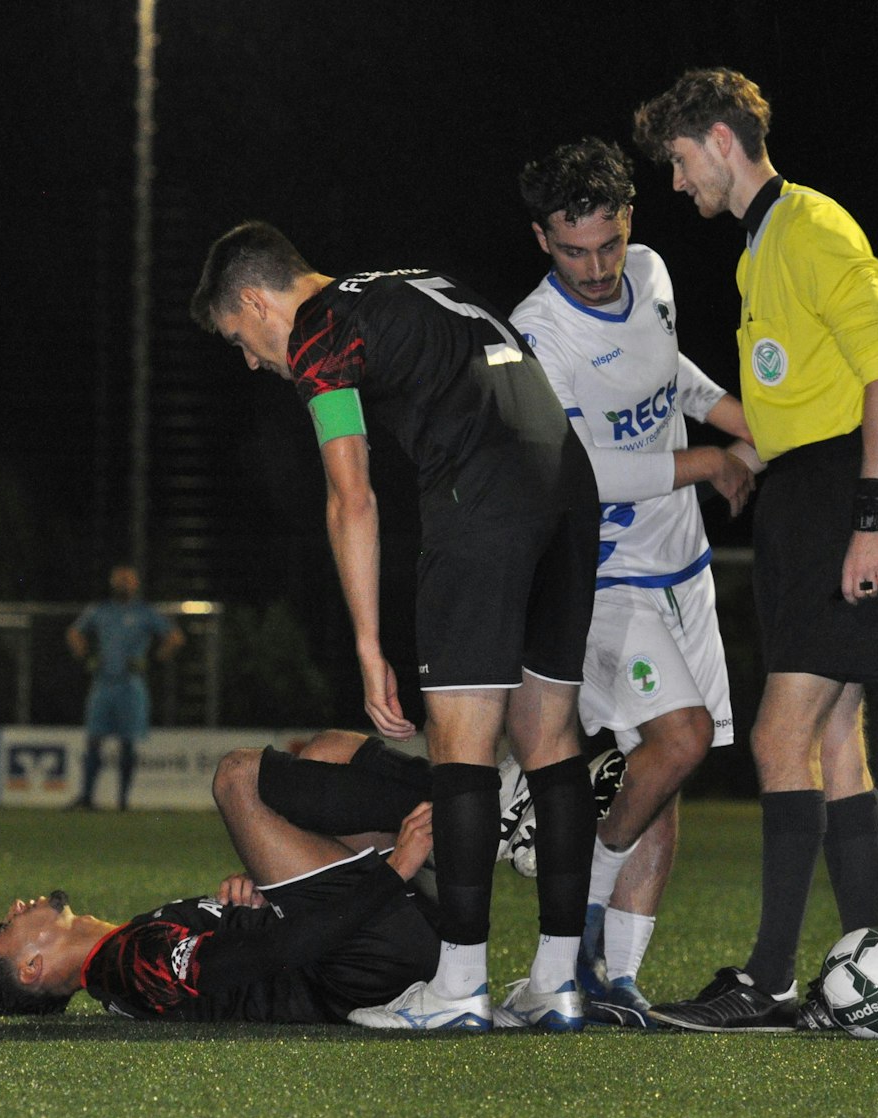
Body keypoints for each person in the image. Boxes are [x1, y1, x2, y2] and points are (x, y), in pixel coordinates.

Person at [189, 222, 601, 1031]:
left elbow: (353, 494)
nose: (249, 359)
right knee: (551, 738)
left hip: (482, 497)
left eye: (241, 337)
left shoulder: (318, 333)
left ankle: (459, 986)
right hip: (567, 484)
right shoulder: (405, 279)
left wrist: (369, 643)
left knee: (461, 743)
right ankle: (556, 981)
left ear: (255, 299)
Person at [632, 68, 878, 1032]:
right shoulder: (762, 249)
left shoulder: (813, 229)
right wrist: (745, 458)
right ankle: (872, 969)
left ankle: (771, 981)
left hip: (842, 497)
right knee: (836, 738)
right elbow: (800, 394)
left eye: (677, 161)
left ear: (719, 140)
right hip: (809, 494)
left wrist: (868, 515)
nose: (677, 184)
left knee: (775, 737)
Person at [507, 137, 762, 1028]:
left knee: (664, 778)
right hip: (606, 579)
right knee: (682, 739)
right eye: (572, 249)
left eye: (607, 244)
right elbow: (586, 474)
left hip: (684, 570)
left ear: (628, 227)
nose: (594, 265)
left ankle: (616, 981)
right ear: (542, 238)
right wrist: (713, 460)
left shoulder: (651, 273)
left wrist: (746, 421)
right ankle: (572, 906)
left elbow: (668, 374)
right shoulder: (537, 332)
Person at [0, 730, 441, 1023]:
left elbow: (254, 954)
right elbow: (280, 952)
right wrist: (394, 872)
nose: (15, 906)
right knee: (237, 778)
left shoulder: (127, 946)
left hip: (372, 945)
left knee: (324, 752)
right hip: (368, 965)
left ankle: (479, 805)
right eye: (4, 927)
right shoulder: (131, 967)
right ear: (31, 969)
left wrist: (260, 896)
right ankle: (474, 804)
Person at [66, 564, 182, 811]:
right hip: (103, 684)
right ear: (112, 583)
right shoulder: (100, 611)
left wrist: (154, 659)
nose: (123, 584)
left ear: (136, 584)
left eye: (128, 580)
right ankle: (87, 798)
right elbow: (74, 632)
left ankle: (123, 801)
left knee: (127, 742)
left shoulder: (145, 613)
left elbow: (175, 637)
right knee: (94, 740)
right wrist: (86, 655)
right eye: (119, 580)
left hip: (131, 686)